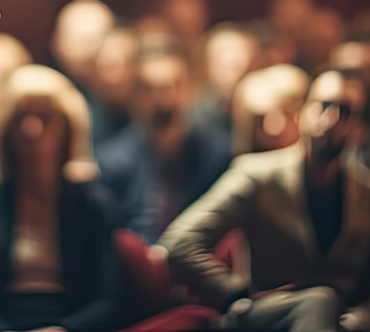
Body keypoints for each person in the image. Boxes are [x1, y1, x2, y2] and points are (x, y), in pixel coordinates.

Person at [159, 67, 370, 331]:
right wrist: (235, 292)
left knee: (324, 303)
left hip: (339, 318)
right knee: (319, 298)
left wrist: (358, 319)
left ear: (359, 128)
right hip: (266, 313)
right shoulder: (258, 175)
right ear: (303, 111)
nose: (330, 118)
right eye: (322, 105)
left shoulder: (364, 192)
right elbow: (180, 241)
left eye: (345, 111)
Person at [0, 65, 120, 332]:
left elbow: (110, 298)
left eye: (45, 117)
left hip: (69, 323)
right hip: (4, 323)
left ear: (66, 129)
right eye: (23, 117)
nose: (32, 129)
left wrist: (63, 330)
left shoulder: (92, 205)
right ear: (7, 130)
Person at [97, 42, 231, 244]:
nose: (161, 97)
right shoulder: (112, 160)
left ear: (189, 89)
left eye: (171, 86)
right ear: (135, 92)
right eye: (149, 88)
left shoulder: (217, 153)